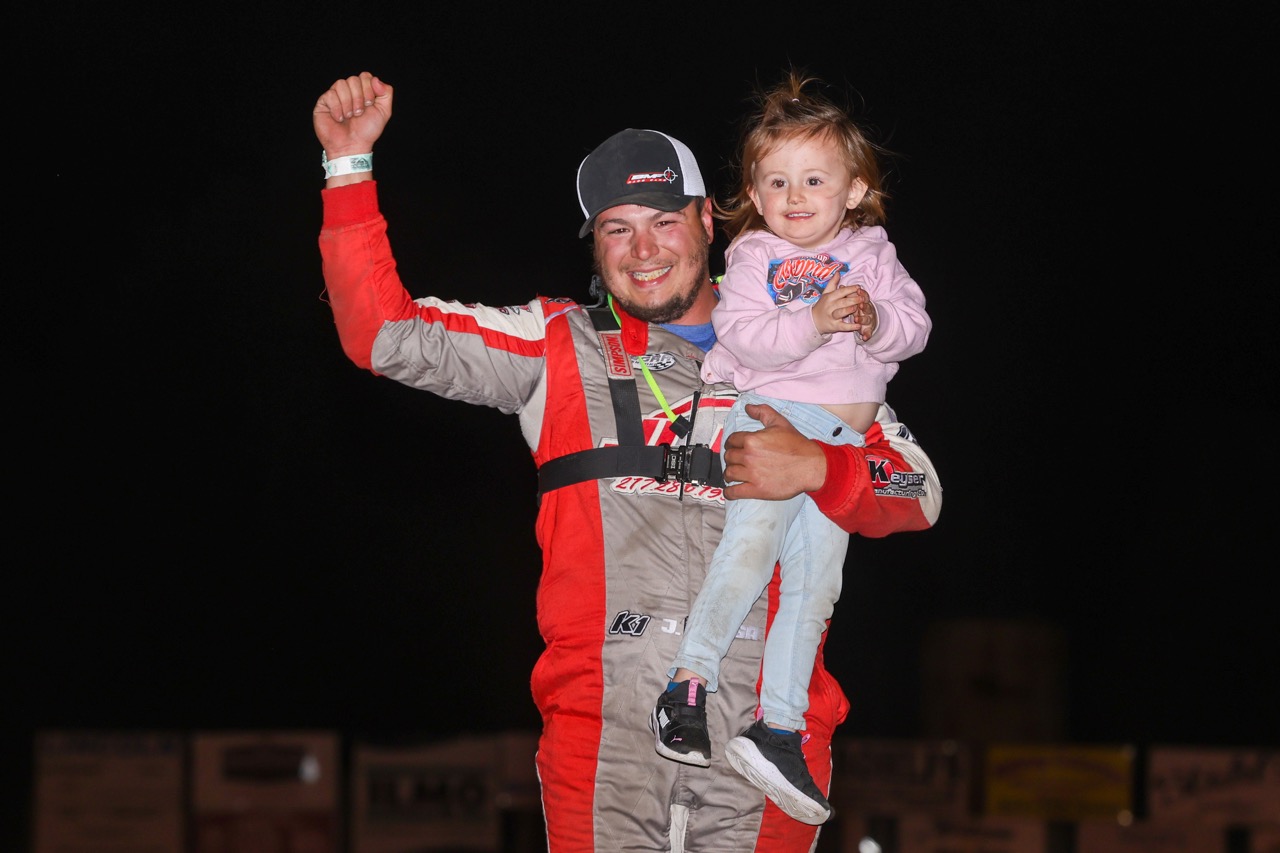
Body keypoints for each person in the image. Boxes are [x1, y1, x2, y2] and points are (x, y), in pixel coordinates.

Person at [313, 71, 941, 853]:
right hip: (603, 755)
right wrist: (348, 167)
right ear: (593, 244)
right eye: (615, 228)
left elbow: (917, 490)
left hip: (763, 755)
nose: (643, 251)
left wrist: (822, 469)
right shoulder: (557, 345)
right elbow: (382, 334)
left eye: (663, 221)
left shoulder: (814, 336)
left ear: (709, 219)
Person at [650, 72, 932, 826]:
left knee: (814, 590)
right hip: (771, 418)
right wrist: (812, 324)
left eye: (814, 179)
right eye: (777, 181)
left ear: (854, 188)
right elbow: (745, 336)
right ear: (754, 191)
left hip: (839, 442)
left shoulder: (873, 252)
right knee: (749, 553)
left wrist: (874, 322)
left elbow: (918, 326)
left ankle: (778, 727)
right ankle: (687, 684)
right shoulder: (752, 256)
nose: (795, 195)